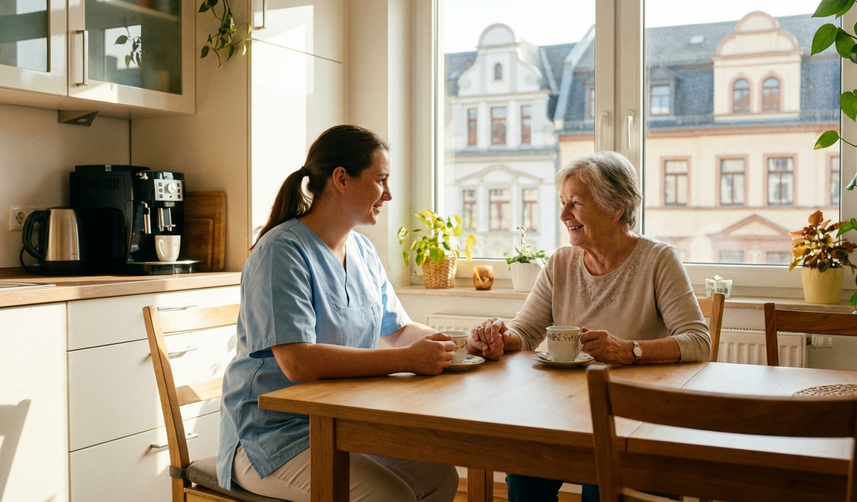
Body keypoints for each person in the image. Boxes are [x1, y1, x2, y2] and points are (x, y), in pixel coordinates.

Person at [217, 125, 460, 502]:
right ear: (341, 179)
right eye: (381, 180)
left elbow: (397, 329)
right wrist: (405, 360)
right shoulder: (281, 252)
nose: (389, 194)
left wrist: (457, 345)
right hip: (271, 437)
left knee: (440, 478)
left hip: (340, 425)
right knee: (389, 497)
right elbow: (297, 362)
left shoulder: (362, 250)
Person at [467, 151, 710, 502]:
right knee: (523, 476)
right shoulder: (561, 262)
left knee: (600, 488)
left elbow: (697, 341)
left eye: (576, 203)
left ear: (617, 209)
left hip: (631, 415)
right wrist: (502, 339)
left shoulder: (658, 260)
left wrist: (630, 351)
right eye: (563, 203)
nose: (564, 215)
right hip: (564, 411)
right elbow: (527, 329)